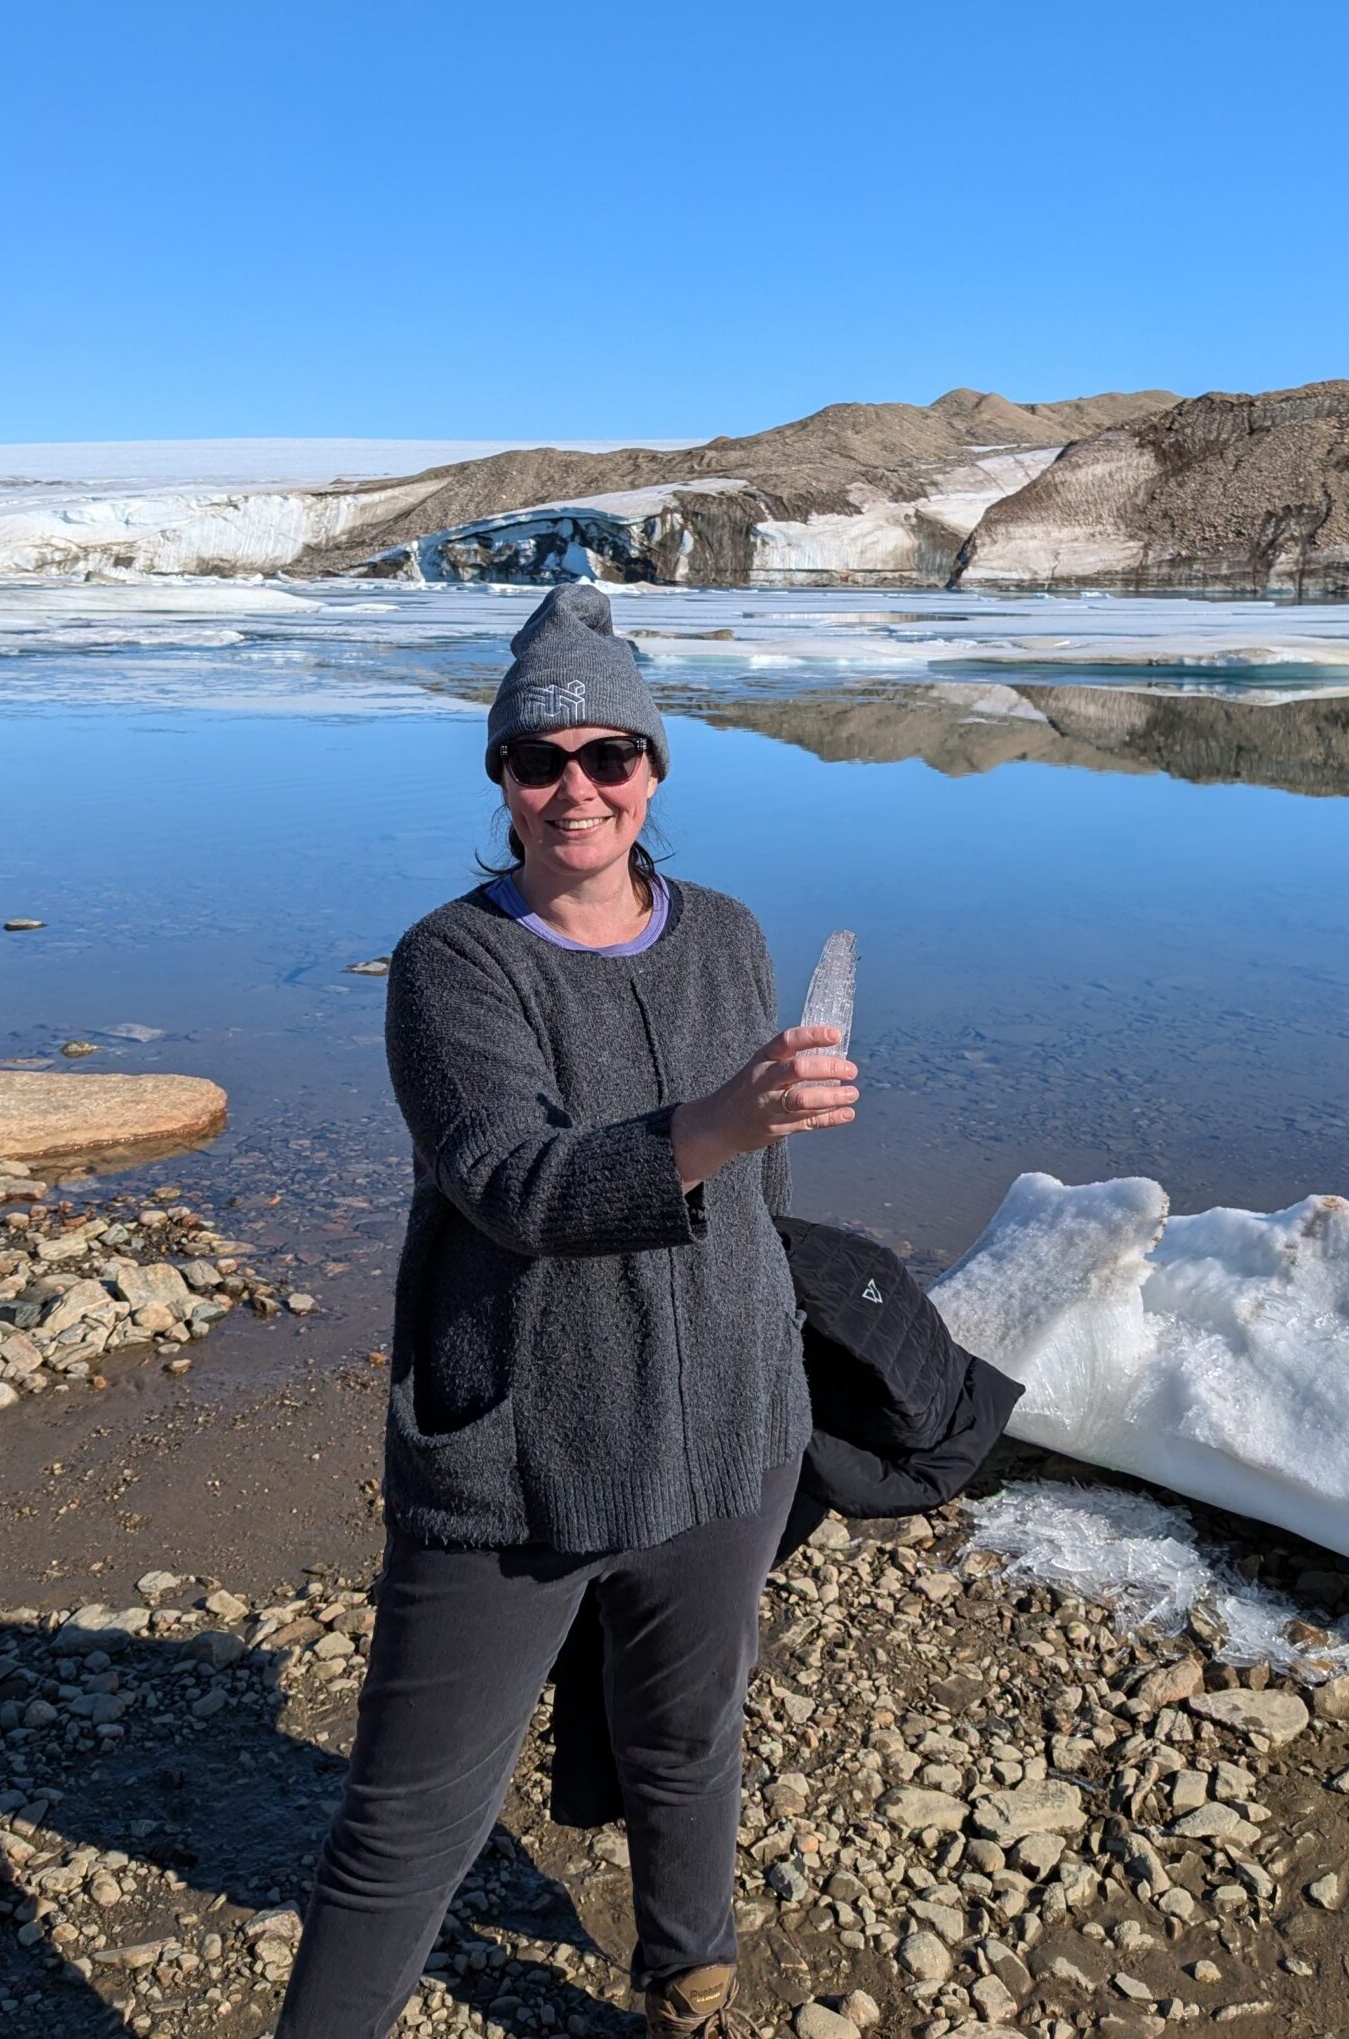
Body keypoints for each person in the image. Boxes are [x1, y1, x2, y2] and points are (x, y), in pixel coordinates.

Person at [276, 582, 859, 2039]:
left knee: (687, 1735)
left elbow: (760, 1196)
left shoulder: (724, 932)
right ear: (502, 783)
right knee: (408, 1824)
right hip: (521, 1460)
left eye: (611, 755)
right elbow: (512, 1183)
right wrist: (716, 1122)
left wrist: (777, 1345)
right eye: (543, 761)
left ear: (655, 770)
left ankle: (691, 1974)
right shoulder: (452, 964)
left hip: (727, 1433)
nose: (578, 788)